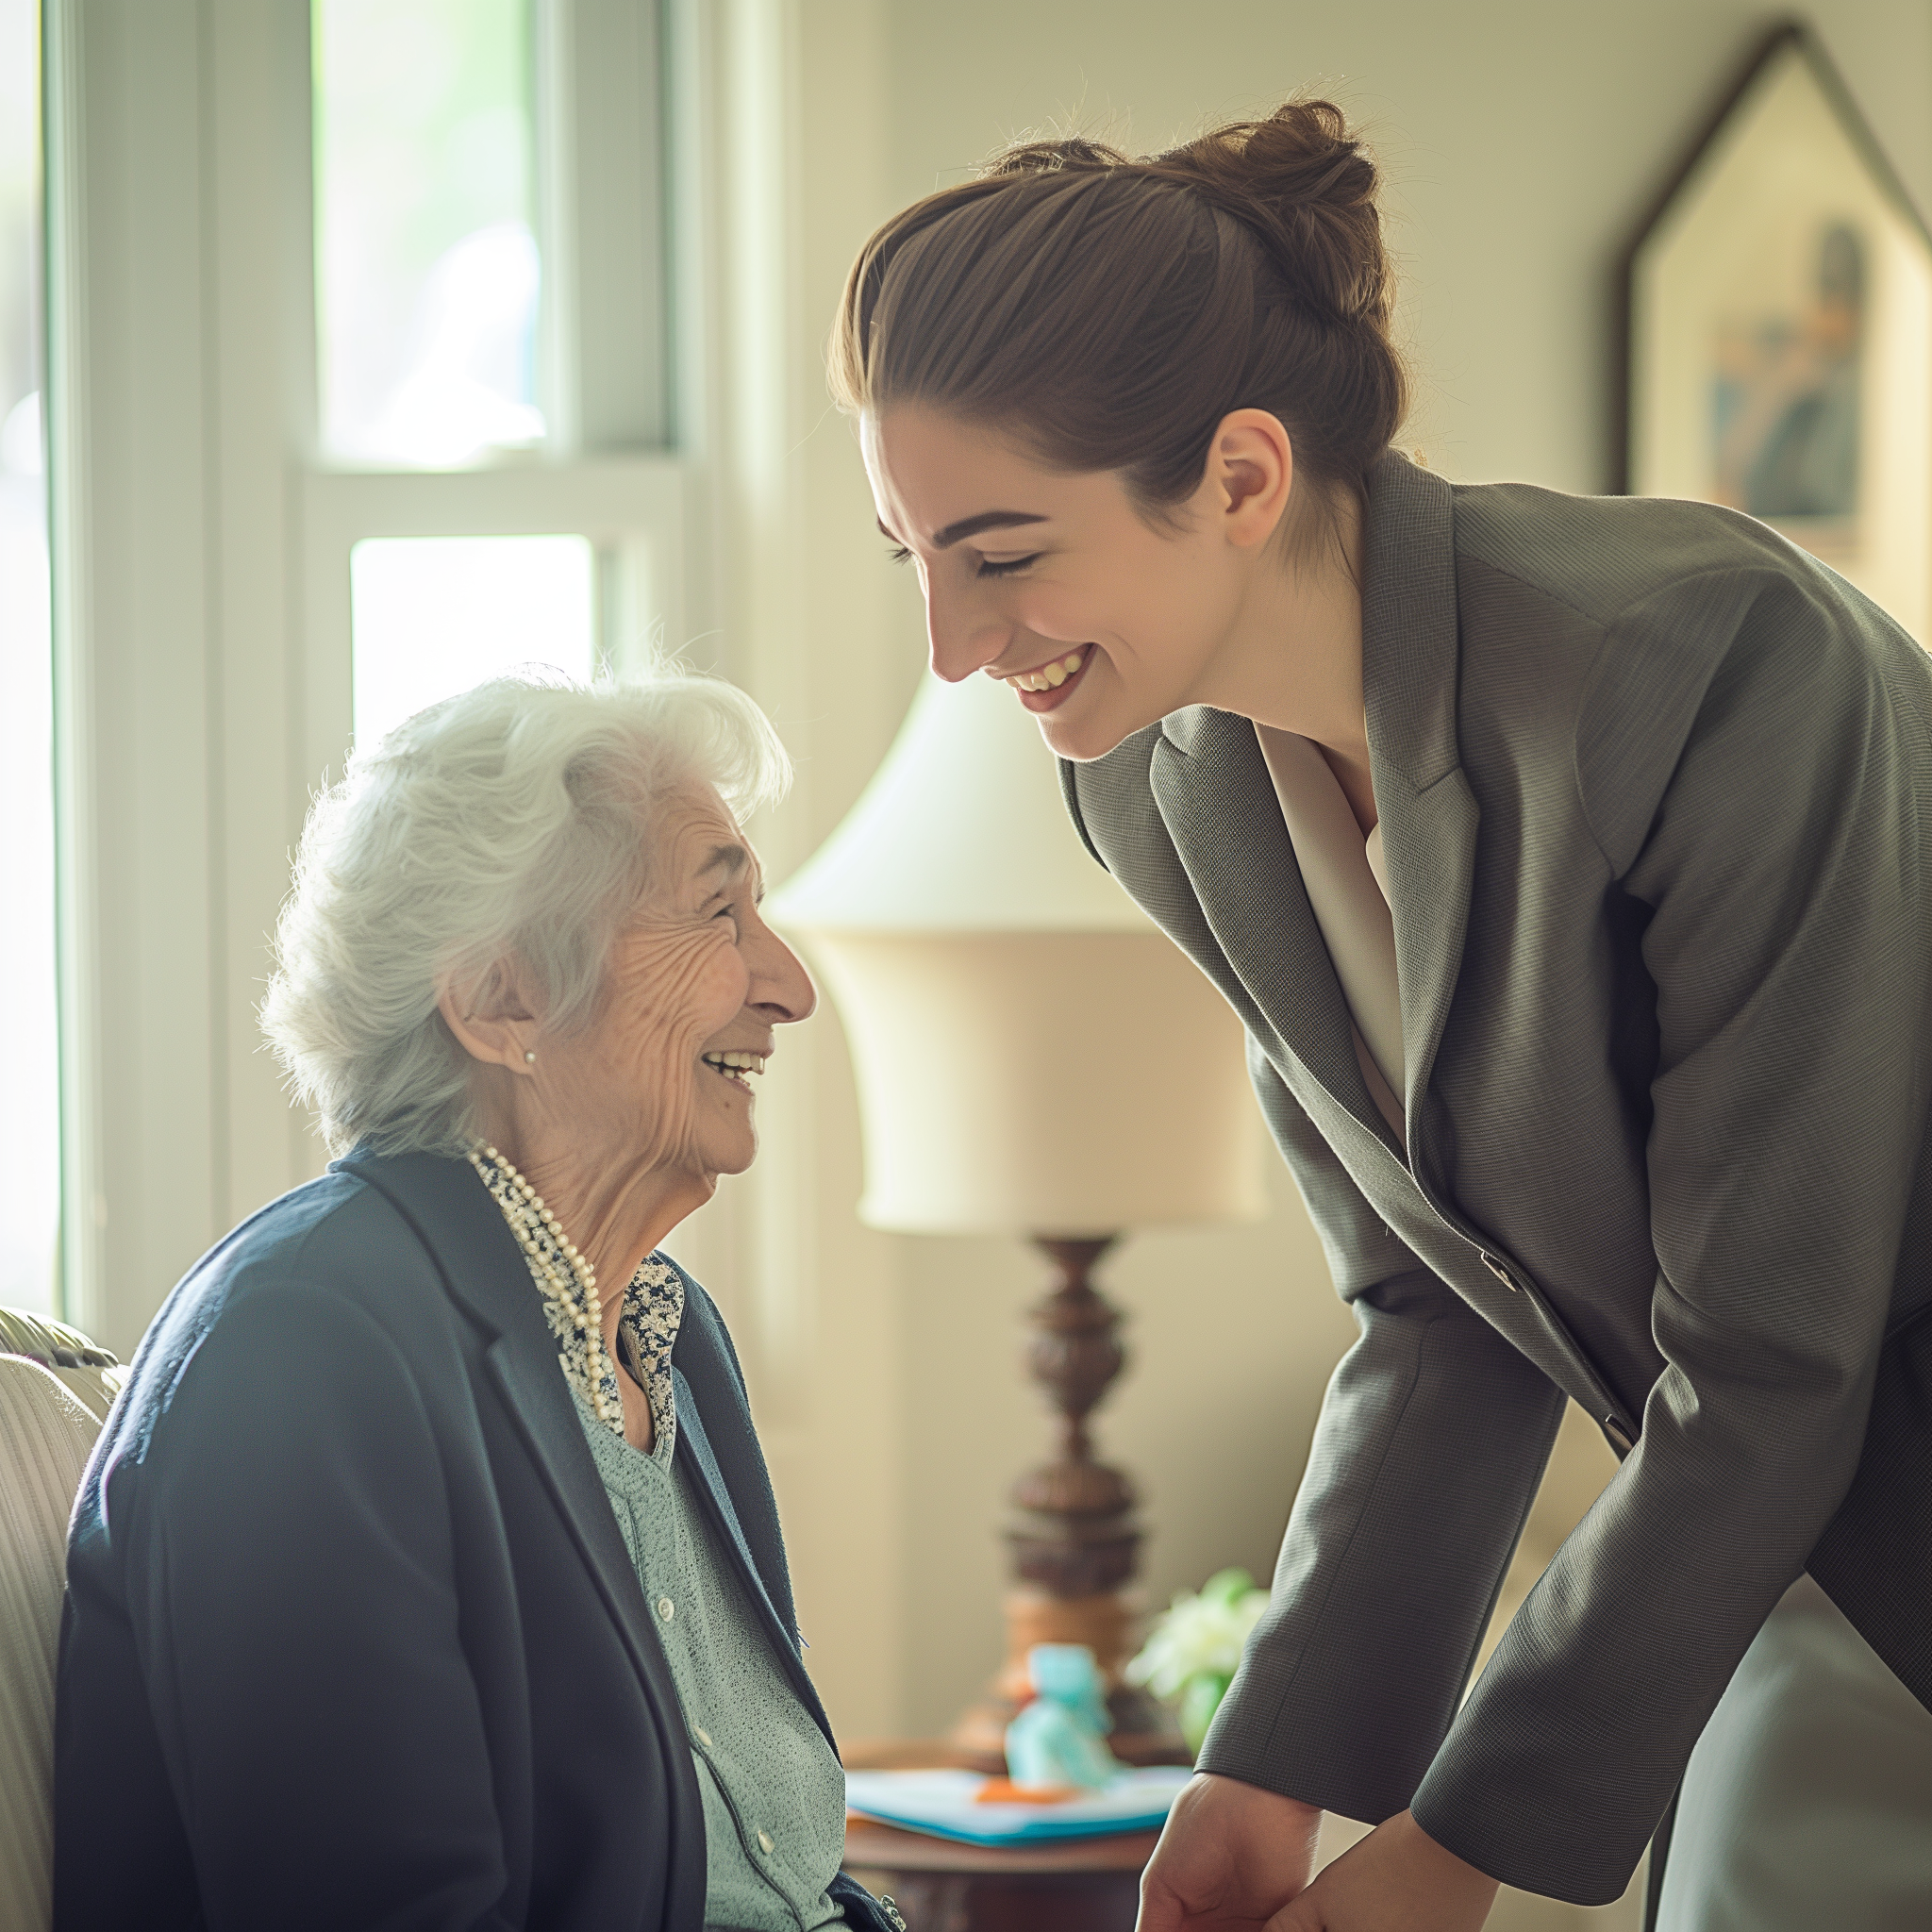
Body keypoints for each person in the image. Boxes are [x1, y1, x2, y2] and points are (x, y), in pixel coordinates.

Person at [827, 99, 1932, 1932]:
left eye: (1003, 554)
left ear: (1243, 477)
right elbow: (1435, 1302)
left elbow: (1768, 1353)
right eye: (912, 559)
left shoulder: (1706, 669)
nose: (952, 645)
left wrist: (1457, 1848)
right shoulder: (1154, 790)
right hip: (1788, 1560)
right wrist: (1265, 1774)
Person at [55, 673, 902, 1932]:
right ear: (505, 1000)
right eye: (720, 913)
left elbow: (779, 1874)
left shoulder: (671, 1340)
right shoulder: (301, 1350)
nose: (786, 984)